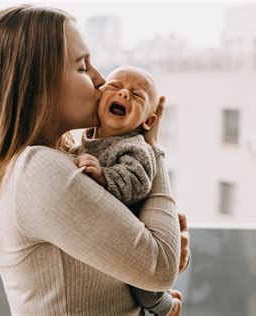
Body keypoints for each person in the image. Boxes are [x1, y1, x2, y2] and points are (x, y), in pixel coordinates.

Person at [0, 5, 190, 316]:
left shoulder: (57, 162)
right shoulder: (37, 171)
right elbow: (159, 267)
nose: (100, 80)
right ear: (37, 85)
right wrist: (150, 146)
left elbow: (147, 265)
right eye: (82, 68)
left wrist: (148, 240)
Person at [73, 65, 180, 315]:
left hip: (135, 233)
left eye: (136, 94)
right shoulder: (87, 138)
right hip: (106, 235)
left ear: (149, 120)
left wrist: (103, 175)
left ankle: (164, 306)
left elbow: (137, 182)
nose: (123, 95)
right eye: (115, 86)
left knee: (141, 285)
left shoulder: (135, 146)